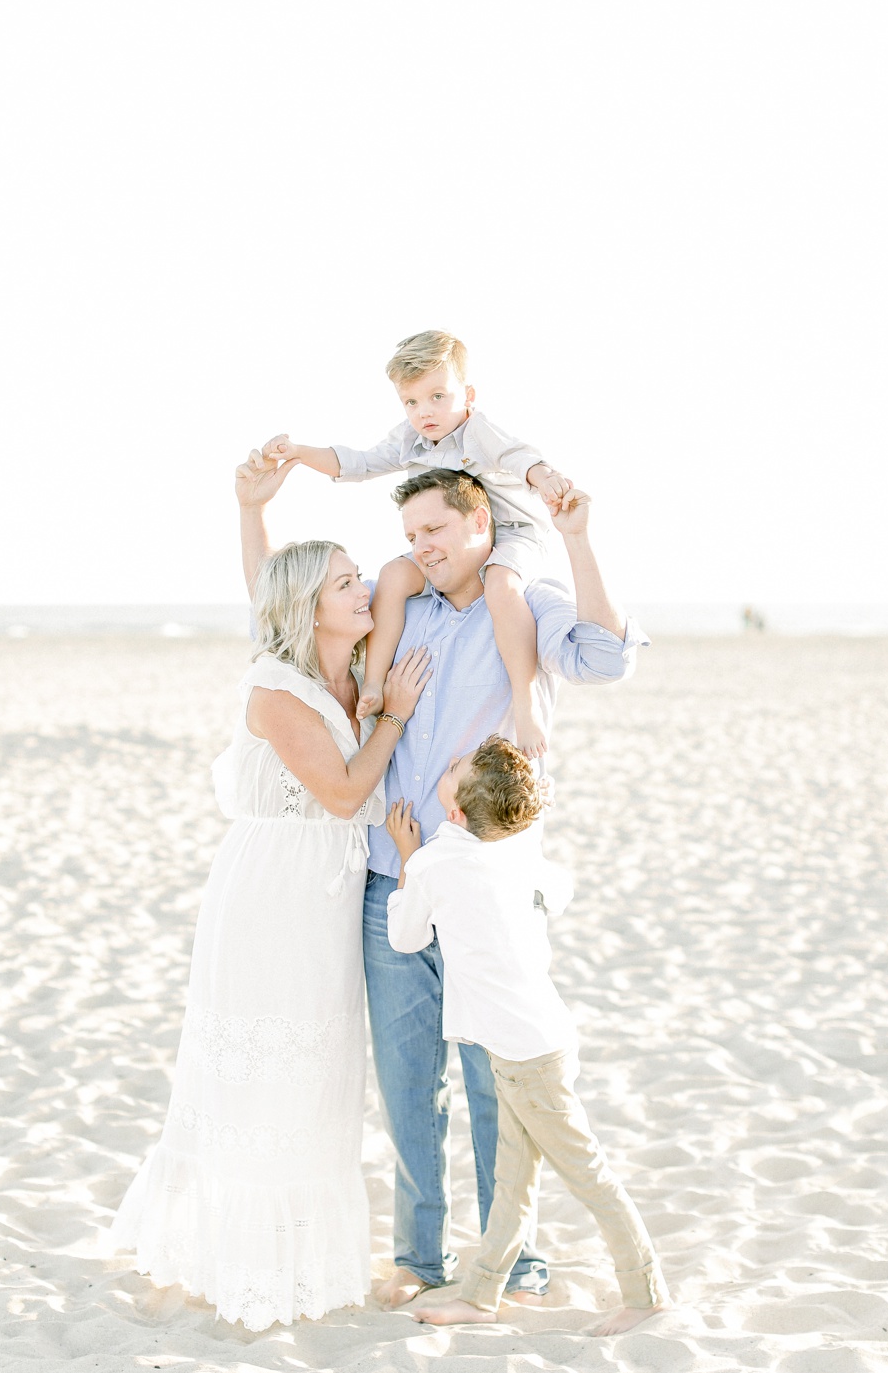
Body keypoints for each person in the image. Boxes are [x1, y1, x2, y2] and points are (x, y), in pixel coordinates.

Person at [243, 462, 649, 1310]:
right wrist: (252, 513)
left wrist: (575, 537)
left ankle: (516, 1260)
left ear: (480, 528)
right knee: (406, 1083)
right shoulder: (387, 614)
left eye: (435, 531)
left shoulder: (524, 607)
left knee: (496, 1082)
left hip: (490, 892)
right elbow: (289, 609)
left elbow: (608, 658)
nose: (420, 548)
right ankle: (421, 1259)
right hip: (390, 881)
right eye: (411, 535)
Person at [110, 452, 430, 1332]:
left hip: (326, 896)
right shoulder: (276, 687)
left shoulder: (352, 658)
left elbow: (305, 580)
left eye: (357, 576)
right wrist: (393, 716)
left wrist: (254, 512)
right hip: (271, 898)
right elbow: (342, 792)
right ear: (309, 609)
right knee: (264, 1073)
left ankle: (301, 1249)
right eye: (343, 582)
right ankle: (242, 1256)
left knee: (320, 1068)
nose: (363, 587)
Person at [384, 738, 669, 1334]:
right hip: (536, 1044)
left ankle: (645, 1293)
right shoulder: (511, 855)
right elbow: (558, 888)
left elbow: (407, 939)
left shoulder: (436, 862)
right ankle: (482, 1294)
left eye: (456, 768)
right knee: (512, 1182)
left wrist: (407, 858)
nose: (450, 762)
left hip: (526, 1059)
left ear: (456, 813)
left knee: (587, 1174)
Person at [263, 329, 573, 757]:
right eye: (411, 402)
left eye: (437, 397)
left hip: (511, 535)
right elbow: (360, 463)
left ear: (467, 394)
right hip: (446, 546)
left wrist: (546, 478)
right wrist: (299, 452)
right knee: (393, 575)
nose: (424, 412)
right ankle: (374, 681)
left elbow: (519, 457)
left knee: (502, 585)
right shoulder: (410, 439)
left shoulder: (478, 432)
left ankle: (525, 699)